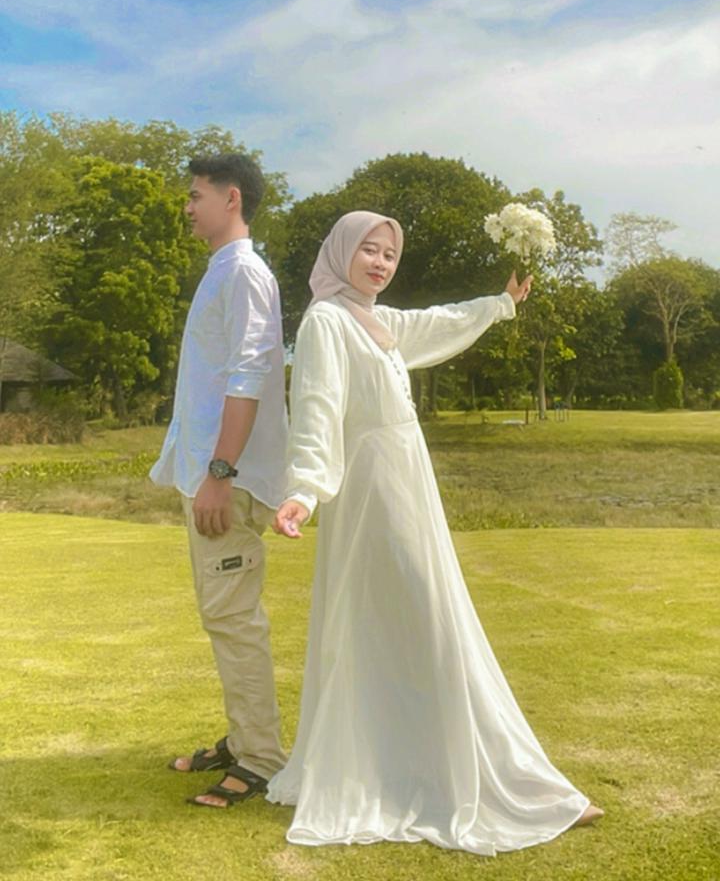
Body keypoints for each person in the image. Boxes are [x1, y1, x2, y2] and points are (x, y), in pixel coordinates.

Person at [263, 210, 603, 854]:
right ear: (340, 251)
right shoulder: (326, 321)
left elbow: (439, 322)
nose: (381, 263)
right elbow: (316, 409)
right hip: (371, 491)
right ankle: (436, 774)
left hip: (407, 482)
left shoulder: (378, 321)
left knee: (422, 616)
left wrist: (501, 303)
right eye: (369, 249)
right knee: (418, 616)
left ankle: (441, 767)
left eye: (390, 255)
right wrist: (303, 491)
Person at [150, 152, 288, 808]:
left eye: (196, 194)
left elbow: (250, 374)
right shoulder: (225, 272)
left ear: (231, 199)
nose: (187, 206)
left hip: (226, 478)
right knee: (223, 615)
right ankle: (243, 740)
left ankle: (260, 759)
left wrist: (221, 473)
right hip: (212, 473)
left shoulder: (245, 273)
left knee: (233, 618)